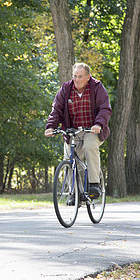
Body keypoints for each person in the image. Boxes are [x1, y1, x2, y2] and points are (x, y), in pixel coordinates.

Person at [44, 63, 112, 204]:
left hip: (91, 129)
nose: (77, 79)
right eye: (75, 76)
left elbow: (105, 109)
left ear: (88, 77)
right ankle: (74, 192)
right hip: (72, 131)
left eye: (80, 76)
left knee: (89, 146)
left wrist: (98, 124)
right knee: (69, 157)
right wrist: (51, 126)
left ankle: (94, 185)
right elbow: (56, 109)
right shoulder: (66, 89)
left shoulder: (97, 87)